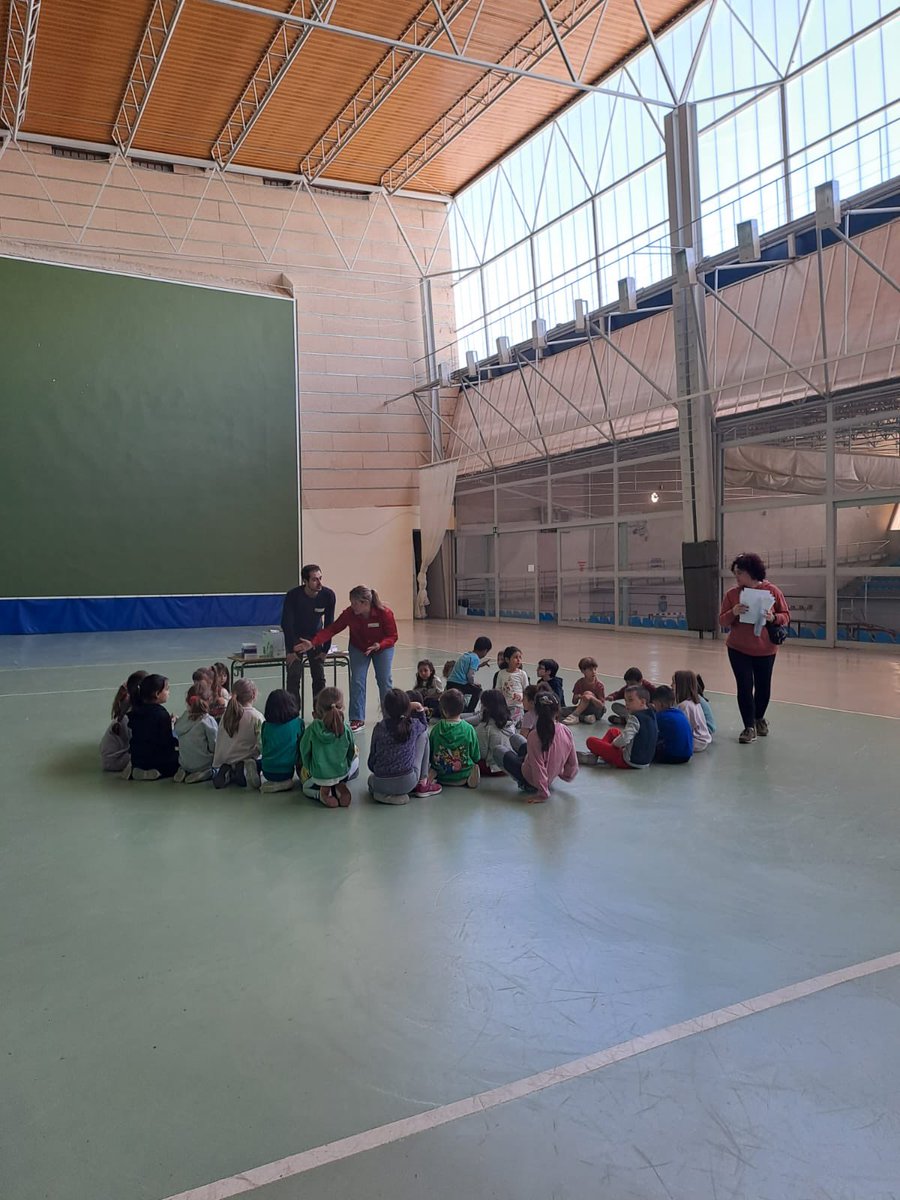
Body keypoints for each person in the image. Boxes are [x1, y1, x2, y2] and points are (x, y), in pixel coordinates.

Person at [296, 585, 397, 731]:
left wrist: (379, 645)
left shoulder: (385, 613)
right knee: (357, 680)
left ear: (365, 603)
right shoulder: (349, 614)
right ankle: (357, 718)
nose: (352, 606)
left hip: (382, 648)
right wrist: (313, 642)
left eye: (355, 603)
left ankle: (389, 716)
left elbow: (393, 636)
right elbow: (332, 629)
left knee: (384, 680)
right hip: (359, 647)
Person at [719, 552, 790, 744]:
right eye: (735, 574)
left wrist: (773, 618)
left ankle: (759, 717)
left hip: (765, 650)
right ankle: (748, 727)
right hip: (738, 648)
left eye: (739, 573)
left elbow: (785, 615)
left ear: (751, 572)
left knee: (763, 687)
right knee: (744, 687)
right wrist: (733, 612)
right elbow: (722, 620)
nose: (737, 577)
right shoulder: (732, 594)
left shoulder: (772, 591)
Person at [367, 688, 441, 804]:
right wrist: (420, 709)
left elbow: (371, 762)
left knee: (371, 780)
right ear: (408, 708)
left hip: (381, 782)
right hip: (407, 783)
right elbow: (424, 725)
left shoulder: (379, 728)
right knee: (424, 735)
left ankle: (383, 795)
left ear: (384, 708)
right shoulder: (413, 725)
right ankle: (423, 783)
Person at [501, 692, 578, 802]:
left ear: (536, 711)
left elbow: (538, 766)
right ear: (557, 711)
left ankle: (525, 785)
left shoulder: (535, 735)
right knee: (515, 738)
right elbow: (572, 762)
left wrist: (542, 793)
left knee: (499, 750)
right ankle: (538, 778)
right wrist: (564, 774)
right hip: (548, 776)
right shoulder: (566, 730)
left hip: (532, 779)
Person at [282, 564, 337, 706]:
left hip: (316, 637)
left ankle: (319, 712)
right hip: (296, 637)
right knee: (294, 675)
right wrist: (290, 650)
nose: (319, 583)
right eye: (314, 580)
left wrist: (325, 650)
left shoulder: (328, 595)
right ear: (305, 582)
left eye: (320, 578)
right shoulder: (293, 596)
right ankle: (293, 712)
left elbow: (329, 626)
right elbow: (286, 624)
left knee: (319, 676)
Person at [299, 686, 359, 807]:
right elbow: (351, 751)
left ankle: (322, 794)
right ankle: (340, 785)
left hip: (319, 774)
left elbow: (304, 752)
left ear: (318, 710)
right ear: (342, 707)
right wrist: (345, 765)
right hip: (341, 771)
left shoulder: (311, 729)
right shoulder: (346, 728)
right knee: (356, 760)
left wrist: (310, 767)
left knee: (305, 787)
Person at [581, 686, 658, 770]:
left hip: (628, 761)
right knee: (613, 731)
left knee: (591, 741)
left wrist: (614, 745)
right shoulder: (652, 714)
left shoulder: (635, 718)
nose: (626, 704)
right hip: (645, 761)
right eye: (625, 700)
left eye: (630, 700)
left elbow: (625, 739)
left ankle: (596, 756)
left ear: (642, 702)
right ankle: (600, 754)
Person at [124, 674, 179, 781]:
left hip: (138, 758)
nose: (169, 693)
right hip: (157, 759)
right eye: (167, 690)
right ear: (157, 694)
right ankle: (159, 772)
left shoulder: (135, 712)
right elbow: (167, 743)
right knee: (181, 759)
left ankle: (138, 769)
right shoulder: (162, 714)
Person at [213, 678, 263, 788]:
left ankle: (229, 771)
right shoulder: (256, 716)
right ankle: (245, 768)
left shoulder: (226, 715)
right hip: (246, 757)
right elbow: (261, 742)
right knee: (262, 761)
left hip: (225, 759)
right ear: (253, 695)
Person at [463, 688, 524, 775]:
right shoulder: (510, 724)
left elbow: (481, 755)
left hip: (494, 768)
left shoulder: (484, 727)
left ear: (485, 706)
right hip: (510, 765)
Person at [428, 689, 481, 788]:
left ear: (443, 710)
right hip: (463, 775)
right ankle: (471, 776)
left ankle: (431, 777)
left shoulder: (436, 729)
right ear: (462, 708)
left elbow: (431, 752)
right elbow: (476, 756)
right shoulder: (469, 729)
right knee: (474, 765)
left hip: (441, 775)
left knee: (432, 768)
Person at [257, 689, 305, 793]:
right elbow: (301, 746)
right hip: (286, 771)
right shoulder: (298, 723)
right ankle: (285, 783)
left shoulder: (265, 726)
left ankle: (256, 768)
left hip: (267, 770)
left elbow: (264, 746)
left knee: (261, 760)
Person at [100, 669, 146, 772]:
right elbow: (138, 741)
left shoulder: (127, 705)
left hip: (110, 758)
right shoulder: (131, 716)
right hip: (115, 762)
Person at [173, 682, 218, 783]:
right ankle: (205, 772)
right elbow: (214, 746)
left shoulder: (184, 717)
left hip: (184, 762)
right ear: (209, 700)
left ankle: (184, 770)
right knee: (219, 767)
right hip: (203, 763)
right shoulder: (208, 720)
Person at [445, 636, 492, 713]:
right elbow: (470, 675)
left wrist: (480, 665)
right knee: (478, 691)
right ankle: (470, 711)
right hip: (459, 684)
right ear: (485, 651)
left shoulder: (467, 655)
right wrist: (473, 684)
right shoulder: (476, 658)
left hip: (450, 682)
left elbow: (467, 669)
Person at [650, 686, 693, 765]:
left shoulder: (660, 717)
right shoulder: (680, 713)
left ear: (660, 704)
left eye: (655, 704)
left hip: (671, 756)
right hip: (687, 755)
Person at [673, 670, 712, 752]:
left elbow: (684, 728)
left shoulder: (684, 705)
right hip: (703, 740)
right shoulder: (695, 702)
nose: (671, 685)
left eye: (673, 683)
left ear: (681, 686)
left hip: (696, 741)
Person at [562, 657, 605, 725]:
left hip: (596, 711)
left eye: (595, 669)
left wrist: (591, 697)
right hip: (583, 710)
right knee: (560, 711)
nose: (594, 672)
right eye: (590, 670)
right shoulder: (579, 683)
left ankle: (575, 716)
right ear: (583, 671)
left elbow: (601, 706)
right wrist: (577, 697)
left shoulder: (599, 685)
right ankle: (585, 718)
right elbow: (574, 702)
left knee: (587, 694)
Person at [495, 646, 529, 727]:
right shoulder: (501, 673)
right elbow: (498, 689)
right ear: (507, 660)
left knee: (509, 724)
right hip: (504, 707)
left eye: (520, 657)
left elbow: (527, 691)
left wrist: (520, 696)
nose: (518, 660)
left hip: (517, 707)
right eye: (515, 657)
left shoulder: (522, 674)